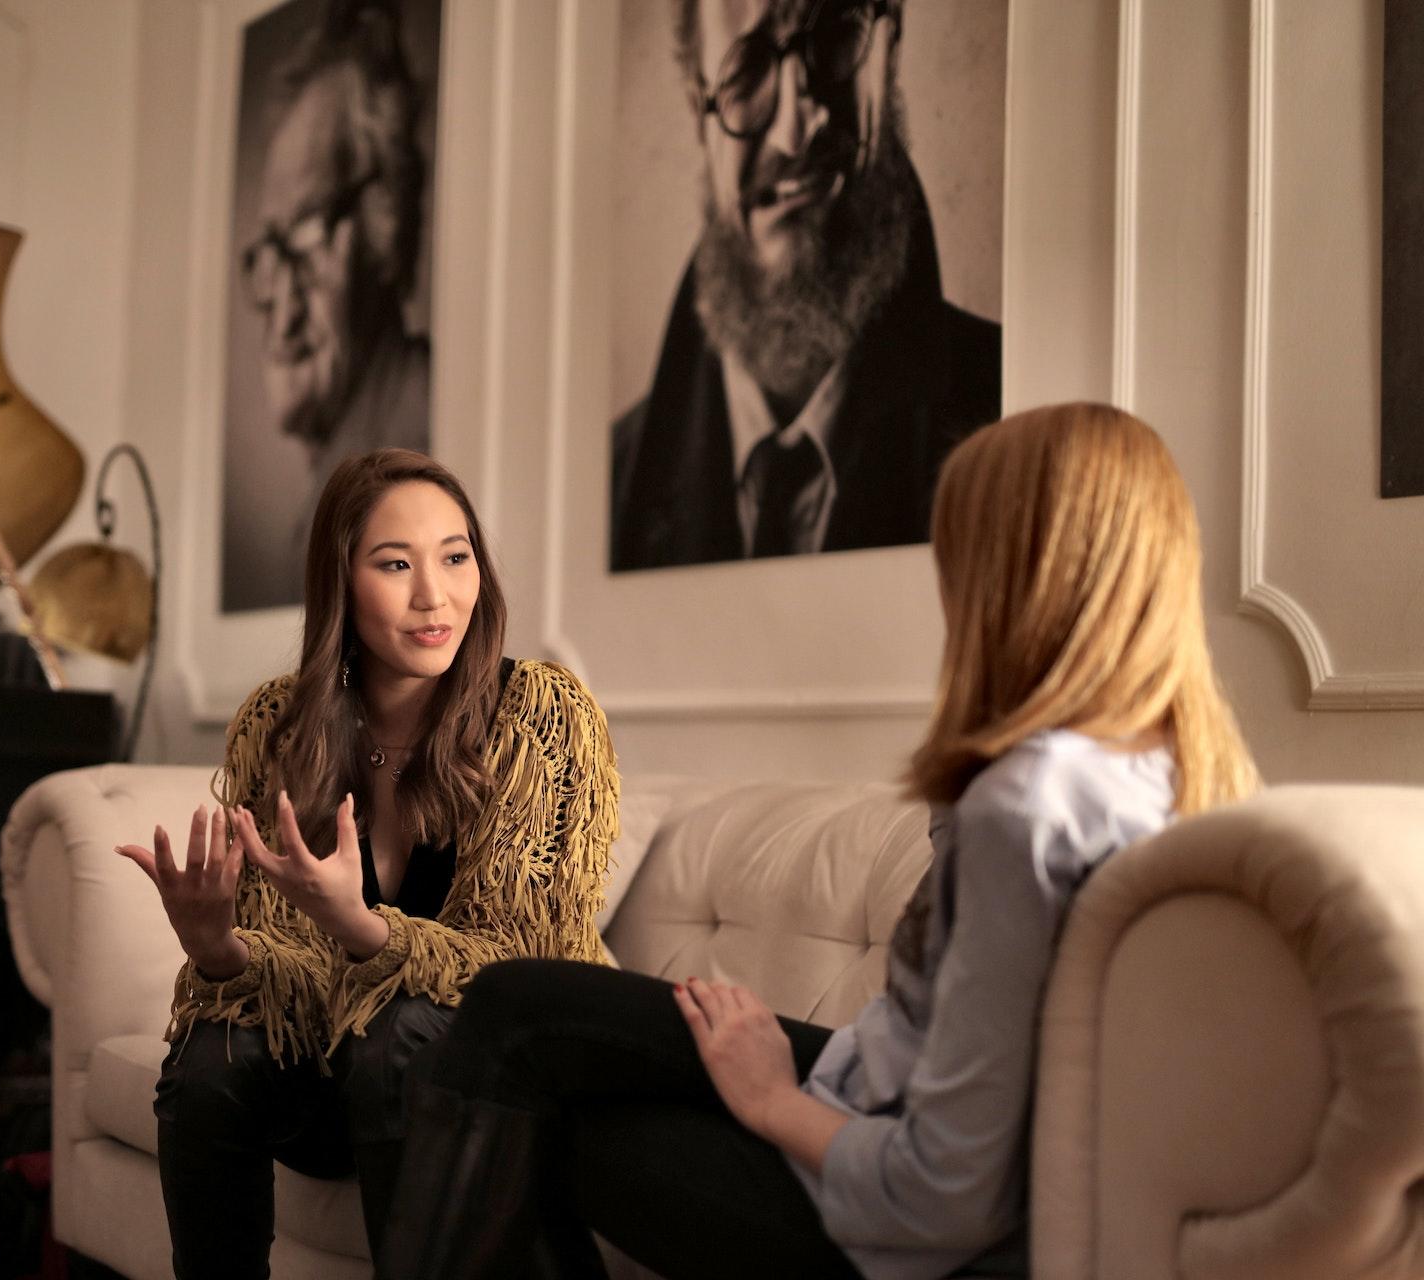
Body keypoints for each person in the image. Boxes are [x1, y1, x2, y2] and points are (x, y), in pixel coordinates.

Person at [383, 403, 1259, 1279]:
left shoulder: (1028, 807)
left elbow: (942, 1197)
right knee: (513, 1005)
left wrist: (768, 1097)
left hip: (895, 1234)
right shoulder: (1187, 770)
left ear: (1011, 576)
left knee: (531, 1109)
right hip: (877, 1088)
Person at [119, 448, 620, 1278]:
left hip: (492, 1078)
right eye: (396, 564)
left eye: (456, 557)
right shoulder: (279, 726)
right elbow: (291, 991)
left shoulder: (541, 714)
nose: (436, 595)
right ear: (342, 583)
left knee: (398, 1032)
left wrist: (358, 924)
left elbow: (519, 965)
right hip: (339, 1077)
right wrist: (219, 949)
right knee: (214, 1052)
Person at [611, 0, 1001, 570]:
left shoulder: (1011, 421)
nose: (799, 130)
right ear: (700, 109)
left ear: (890, 47)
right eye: (746, 74)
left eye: (837, 39)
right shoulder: (612, 488)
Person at [227, 0, 434, 610]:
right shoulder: (335, 487)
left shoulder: (424, 436)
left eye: (310, 239)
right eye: (271, 250)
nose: (281, 315)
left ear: (386, 224)